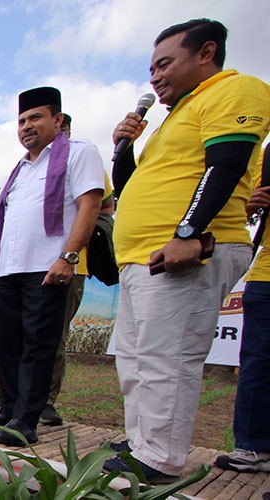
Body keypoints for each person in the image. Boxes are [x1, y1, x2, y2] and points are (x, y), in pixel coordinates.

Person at [104, 19, 270, 482]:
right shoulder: (174, 116)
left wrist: (188, 233)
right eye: (150, 69)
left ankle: (159, 460)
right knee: (135, 358)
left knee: (167, 357)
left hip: (185, 251)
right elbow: (131, 187)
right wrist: (123, 148)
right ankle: (142, 442)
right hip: (143, 256)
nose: (154, 77)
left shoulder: (235, 91)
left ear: (205, 53)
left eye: (164, 64)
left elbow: (226, 164)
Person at [0, 113, 116, 427]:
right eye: (21, 121)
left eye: (35, 118)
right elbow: (1, 223)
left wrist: (68, 256)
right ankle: (8, 408)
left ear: (57, 120)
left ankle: (27, 419)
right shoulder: (19, 169)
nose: (26, 126)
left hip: (47, 266)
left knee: (39, 344)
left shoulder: (80, 153)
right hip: (9, 269)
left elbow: (92, 205)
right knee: (7, 344)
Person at [215, 152, 270, 473]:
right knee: (257, 360)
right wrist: (249, 204)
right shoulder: (266, 154)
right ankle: (252, 447)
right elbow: (242, 206)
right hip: (265, 271)